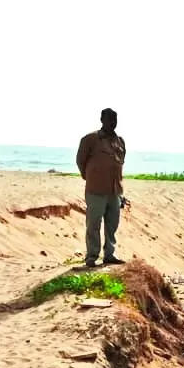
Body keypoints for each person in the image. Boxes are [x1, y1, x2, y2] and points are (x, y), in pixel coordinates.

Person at [75, 108, 129, 266]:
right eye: (109, 119)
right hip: (96, 189)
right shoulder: (90, 139)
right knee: (94, 224)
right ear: (102, 120)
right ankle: (92, 256)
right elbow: (80, 161)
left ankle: (109, 255)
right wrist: (90, 176)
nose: (112, 122)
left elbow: (121, 161)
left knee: (112, 224)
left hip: (115, 190)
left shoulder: (120, 141)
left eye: (115, 119)